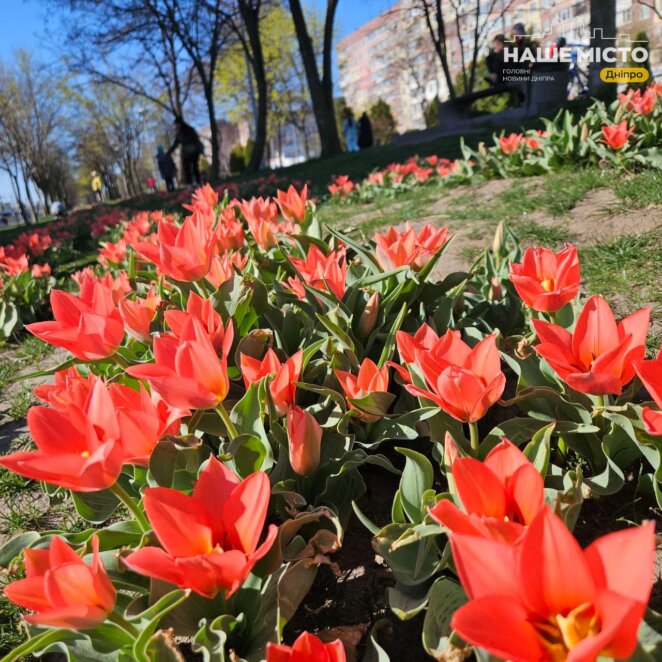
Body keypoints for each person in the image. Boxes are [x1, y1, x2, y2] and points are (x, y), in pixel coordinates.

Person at [167, 116, 203, 187]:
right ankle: (194, 183)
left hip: (191, 152)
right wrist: (168, 152)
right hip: (191, 152)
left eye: (176, 124)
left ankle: (194, 183)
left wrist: (198, 149)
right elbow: (175, 144)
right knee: (191, 168)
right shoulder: (186, 131)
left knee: (191, 168)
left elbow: (196, 140)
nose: (176, 126)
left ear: (179, 123)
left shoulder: (184, 132)